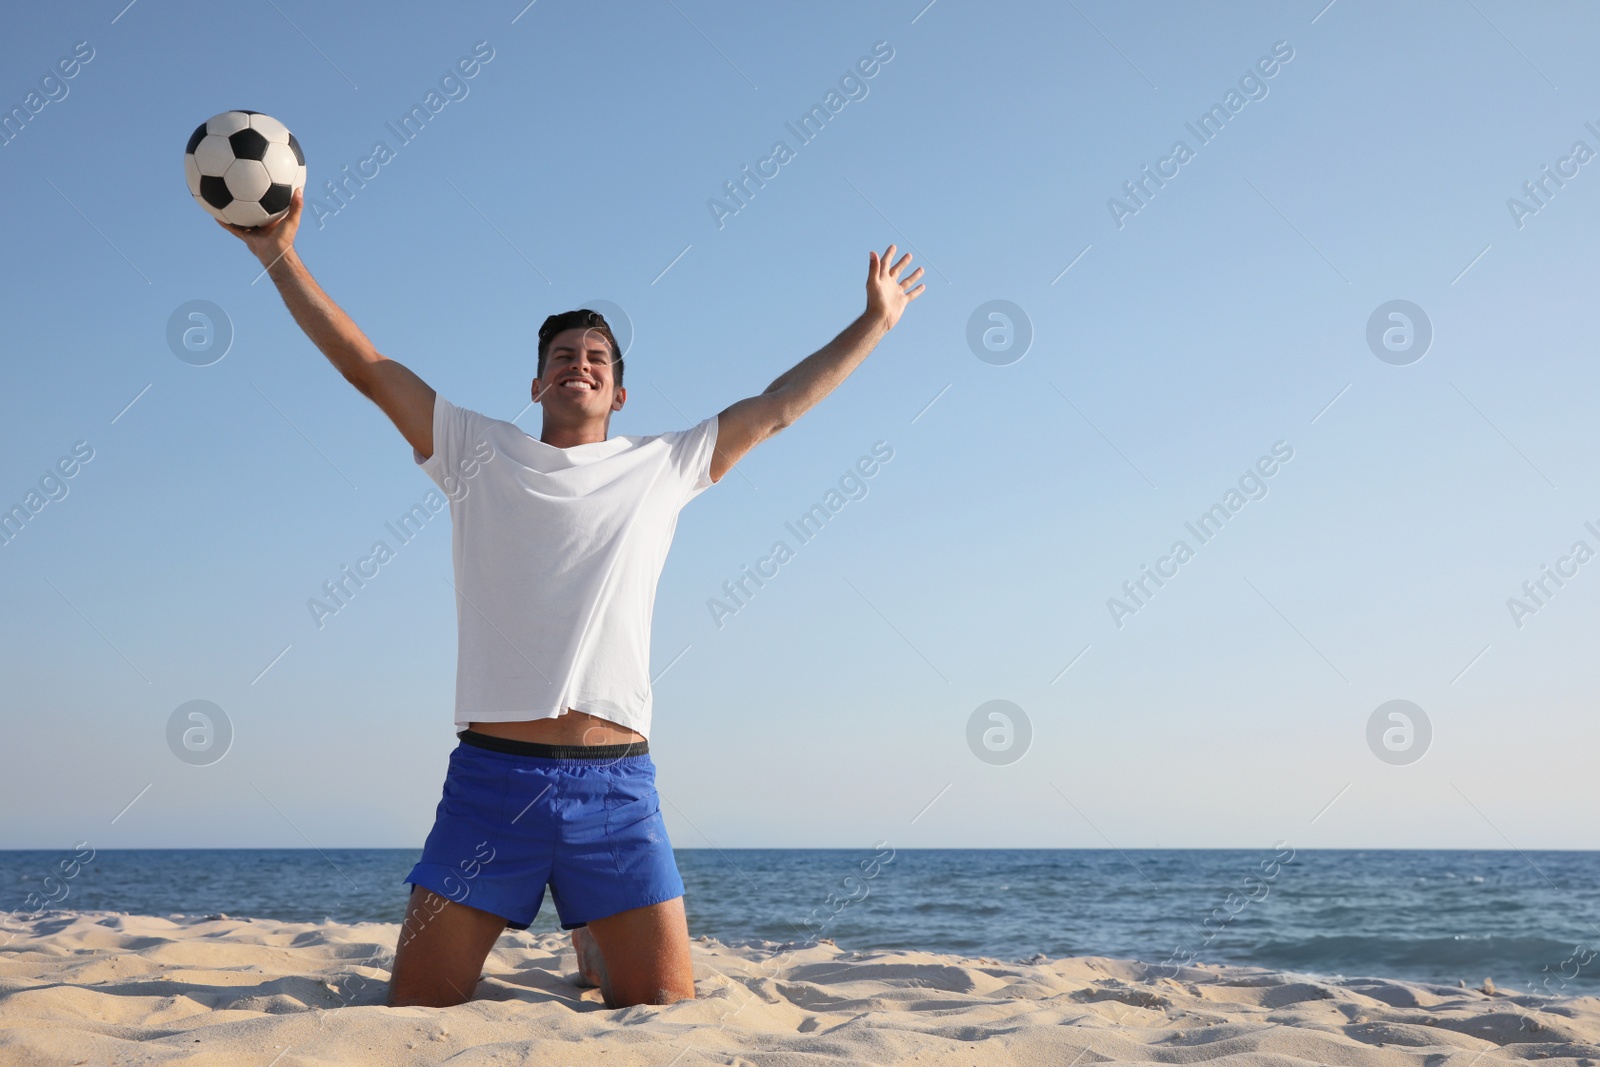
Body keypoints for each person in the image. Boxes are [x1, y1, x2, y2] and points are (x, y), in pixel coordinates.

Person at [219, 187, 924, 1008]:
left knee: (664, 1013)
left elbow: (773, 410)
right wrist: (278, 254)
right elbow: (369, 370)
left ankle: (590, 931)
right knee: (416, 1007)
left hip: (615, 791)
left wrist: (874, 322)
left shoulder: (661, 464)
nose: (578, 363)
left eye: (597, 357)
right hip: (492, 787)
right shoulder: (476, 449)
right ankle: (584, 932)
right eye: (561, 355)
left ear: (618, 393)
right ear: (536, 381)